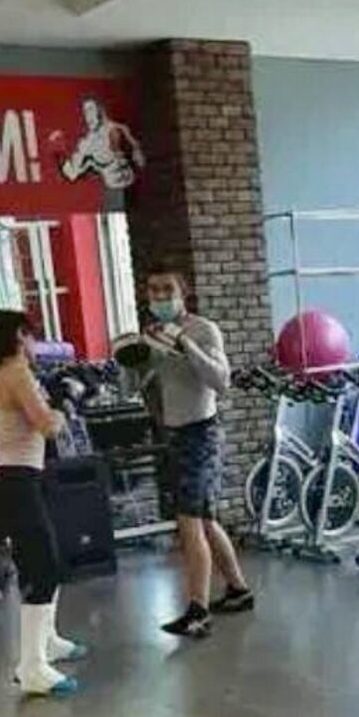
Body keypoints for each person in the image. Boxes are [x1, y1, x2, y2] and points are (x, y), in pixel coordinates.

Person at [126, 268, 253, 639]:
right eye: (153, 289)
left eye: (167, 288)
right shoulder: (152, 335)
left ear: (183, 292)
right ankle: (238, 590)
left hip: (202, 433)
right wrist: (132, 359)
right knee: (206, 520)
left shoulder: (203, 329)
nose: (160, 295)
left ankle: (198, 611)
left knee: (189, 522)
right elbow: (134, 385)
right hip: (175, 434)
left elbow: (221, 381)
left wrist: (185, 344)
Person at [0, 309, 87, 698]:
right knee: (42, 569)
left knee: (45, 562)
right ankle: (32, 667)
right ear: (18, 338)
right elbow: (47, 426)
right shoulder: (17, 374)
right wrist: (67, 402)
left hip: (17, 478)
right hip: (18, 481)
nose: (34, 343)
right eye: (30, 336)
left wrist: (54, 399)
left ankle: (48, 641)